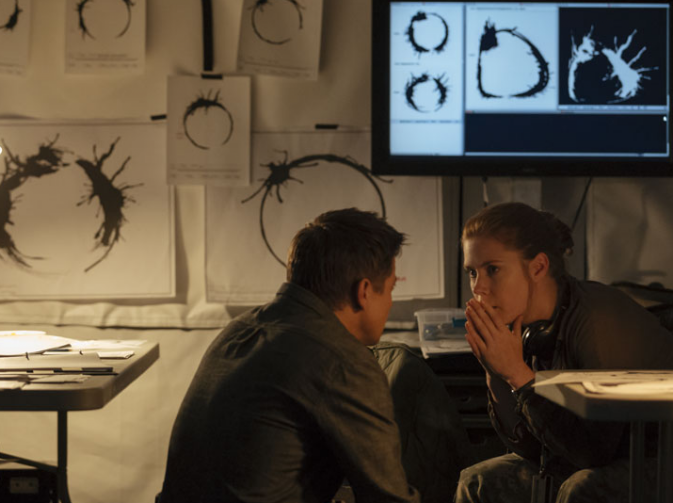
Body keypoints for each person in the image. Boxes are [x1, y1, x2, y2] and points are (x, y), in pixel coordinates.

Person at [160, 208, 420, 503]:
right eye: (390, 288)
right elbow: (389, 498)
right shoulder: (341, 361)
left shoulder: (239, 330)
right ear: (364, 291)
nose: (390, 302)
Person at [455, 202, 673, 503]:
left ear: (538, 267)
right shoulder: (527, 327)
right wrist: (495, 371)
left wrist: (518, 375)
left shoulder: (599, 321)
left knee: (581, 489)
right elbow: (532, 449)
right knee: (477, 482)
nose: (479, 288)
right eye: (472, 272)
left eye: (492, 269)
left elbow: (593, 453)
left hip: (654, 458)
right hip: (590, 454)